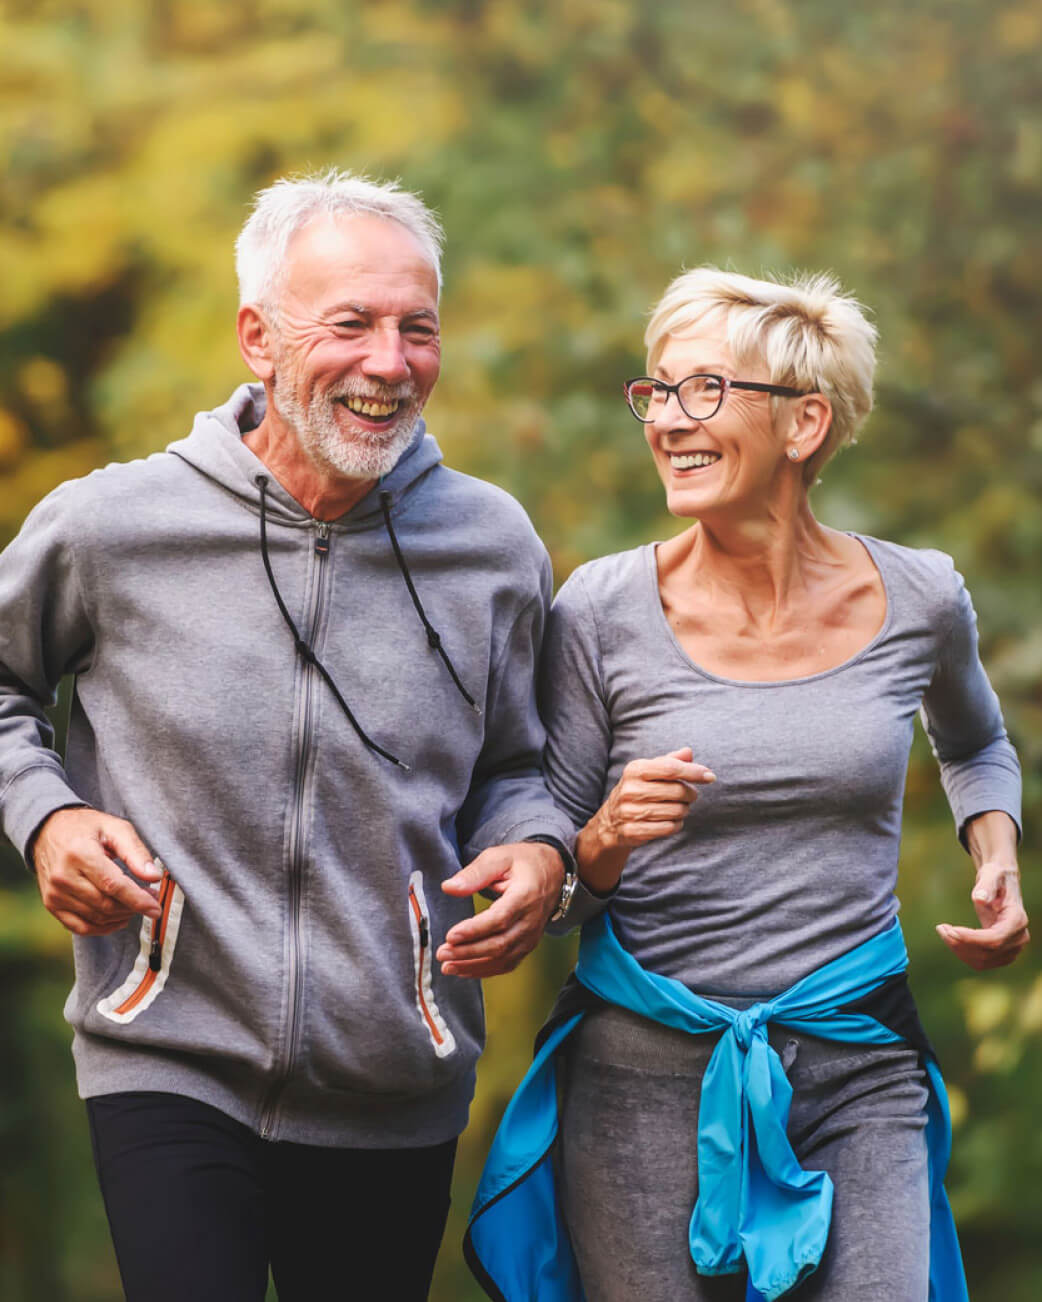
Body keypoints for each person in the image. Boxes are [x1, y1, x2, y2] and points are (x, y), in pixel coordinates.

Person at [0, 170, 582, 1302]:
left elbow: (522, 765)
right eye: (351, 324)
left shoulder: (492, 545)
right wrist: (47, 816)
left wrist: (540, 852)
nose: (389, 361)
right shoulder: (113, 527)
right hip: (163, 1051)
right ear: (257, 338)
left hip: (393, 1076)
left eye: (419, 329)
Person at [465, 268, 1028, 1301]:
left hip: (858, 1064)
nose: (669, 421)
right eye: (657, 392)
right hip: (640, 1077)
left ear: (804, 422)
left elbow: (976, 744)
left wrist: (994, 852)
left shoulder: (919, 596)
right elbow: (555, 867)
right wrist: (604, 840)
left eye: (706, 391)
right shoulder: (599, 609)